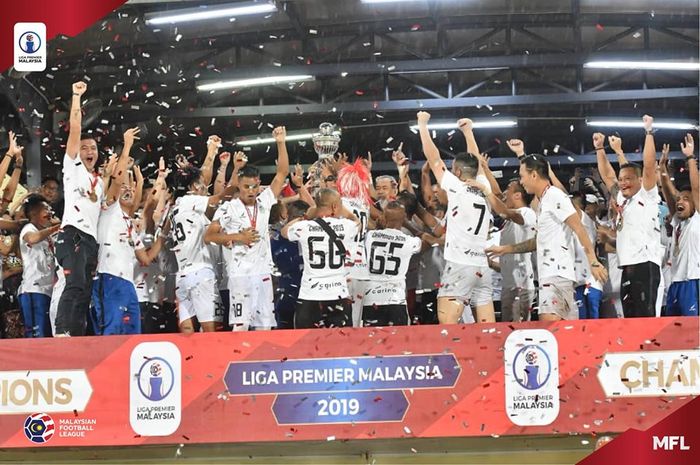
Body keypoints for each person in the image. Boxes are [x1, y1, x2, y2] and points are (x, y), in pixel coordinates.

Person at [487, 155, 608, 321]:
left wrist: (593, 261)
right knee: (562, 335)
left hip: (556, 276)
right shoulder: (545, 201)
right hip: (553, 277)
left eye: (522, 176)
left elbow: (579, 228)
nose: (522, 181)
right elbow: (538, 241)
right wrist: (506, 249)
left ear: (534, 175)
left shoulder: (554, 196)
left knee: (550, 332)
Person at [204, 127, 289, 331]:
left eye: (253, 187)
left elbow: (282, 173)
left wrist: (280, 142)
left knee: (265, 326)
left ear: (258, 184)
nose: (250, 191)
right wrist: (238, 236)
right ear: (239, 186)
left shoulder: (265, 201)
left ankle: (261, 363)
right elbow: (209, 236)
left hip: (263, 273)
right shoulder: (228, 208)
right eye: (245, 187)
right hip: (240, 275)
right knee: (241, 326)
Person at [416, 111, 495, 324]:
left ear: (458, 173)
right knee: (487, 330)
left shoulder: (456, 187)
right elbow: (476, 159)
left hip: (460, 265)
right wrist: (468, 131)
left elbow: (433, 158)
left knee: (448, 328)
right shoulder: (484, 187)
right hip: (481, 266)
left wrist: (422, 125)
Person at [92, 128, 164, 335]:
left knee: (132, 334)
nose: (128, 190)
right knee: (111, 332)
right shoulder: (107, 210)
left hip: (128, 285)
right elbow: (116, 180)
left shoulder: (130, 224)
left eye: (132, 190)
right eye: (124, 188)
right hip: (108, 279)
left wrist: (164, 236)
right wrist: (127, 147)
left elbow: (145, 258)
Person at [594, 116, 662, 317]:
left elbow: (649, 165)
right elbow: (607, 175)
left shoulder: (647, 195)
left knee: (645, 318)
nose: (623, 183)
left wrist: (648, 132)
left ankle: (651, 349)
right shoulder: (623, 200)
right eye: (621, 179)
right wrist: (600, 148)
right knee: (630, 320)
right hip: (627, 268)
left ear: (640, 180)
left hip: (645, 266)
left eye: (628, 179)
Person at [169, 136, 237, 333]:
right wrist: (240, 183)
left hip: (181, 275)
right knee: (211, 330)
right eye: (199, 184)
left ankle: (190, 363)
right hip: (201, 273)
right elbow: (219, 196)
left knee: (188, 331)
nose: (203, 187)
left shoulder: (175, 208)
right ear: (191, 187)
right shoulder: (189, 201)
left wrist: (211, 153)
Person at [54, 81, 103, 336]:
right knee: (73, 286)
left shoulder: (100, 182)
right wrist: (76, 97)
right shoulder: (72, 167)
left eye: (93, 148)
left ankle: (77, 336)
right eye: (84, 147)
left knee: (84, 291)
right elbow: (75, 128)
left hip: (90, 241)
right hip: (72, 233)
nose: (88, 151)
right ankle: (62, 333)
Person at [282, 188, 359, 328]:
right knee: (342, 347)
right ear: (335, 206)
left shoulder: (304, 226)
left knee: (305, 345)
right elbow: (356, 221)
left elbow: (284, 232)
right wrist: (343, 211)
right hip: (338, 295)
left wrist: (305, 216)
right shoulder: (346, 226)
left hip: (310, 295)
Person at [363, 201, 423, 326]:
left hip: (371, 299)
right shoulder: (409, 241)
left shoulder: (370, 236)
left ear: (384, 216)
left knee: (371, 342)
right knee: (398, 343)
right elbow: (422, 241)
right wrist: (407, 223)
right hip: (395, 299)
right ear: (404, 217)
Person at [659, 134, 699, 316]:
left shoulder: (696, 219)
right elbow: (668, 194)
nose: (680, 201)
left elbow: (696, 188)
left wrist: (690, 157)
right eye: (679, 199)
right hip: (675, 283)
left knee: (693, 332)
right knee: (673, 332)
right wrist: (662, 169)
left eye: (686, 199)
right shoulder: (678, 223)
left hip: (693, 280)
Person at [18, 195, 60, 337]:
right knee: (37, 337)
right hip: (33, 290)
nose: (50, 213)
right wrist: (54, 228)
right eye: (46, 209)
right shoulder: (28, 228)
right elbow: (32, 238)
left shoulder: (49, 236)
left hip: (48, 292)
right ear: (33, 213)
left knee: (47, 337)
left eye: (50, 209)